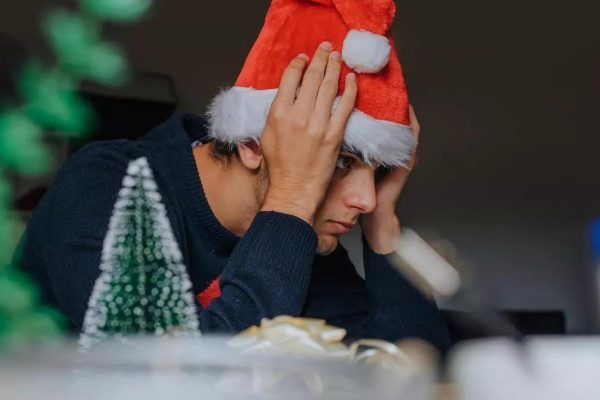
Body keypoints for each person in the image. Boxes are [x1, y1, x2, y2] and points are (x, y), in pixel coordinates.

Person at [16, 0, 451, 351]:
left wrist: (384, 222)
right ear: (251, 145)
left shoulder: (304, 232)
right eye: (340, 161)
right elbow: (171, 377)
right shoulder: (105, 185)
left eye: (377, 172)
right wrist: (292, 198)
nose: (365, 199)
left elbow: (405, 373)